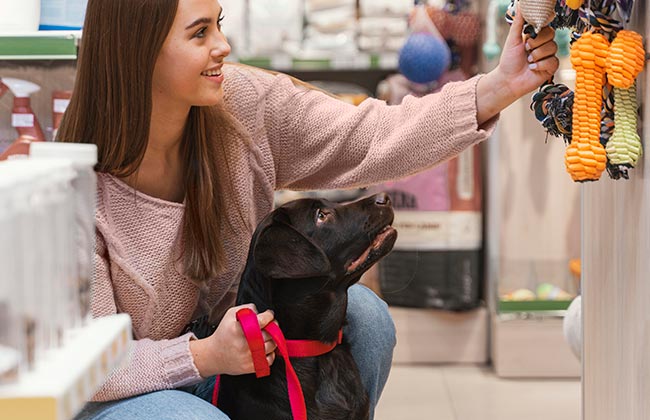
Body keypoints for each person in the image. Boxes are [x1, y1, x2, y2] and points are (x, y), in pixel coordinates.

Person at [62, 0, 559, 419]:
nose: (222, 46)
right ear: (138, 51)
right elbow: (94, 366)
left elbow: (369, 137)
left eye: (219, 23)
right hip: (131, 391)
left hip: (237, 363)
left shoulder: (243, 105)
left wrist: (497, 87)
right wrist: (205, 354)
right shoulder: (74, 187)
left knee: (365, 317)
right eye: (199, 34)